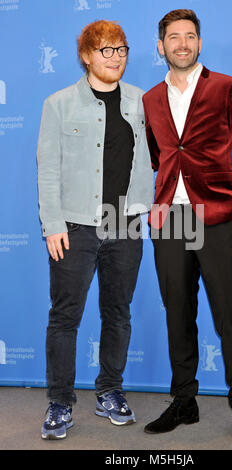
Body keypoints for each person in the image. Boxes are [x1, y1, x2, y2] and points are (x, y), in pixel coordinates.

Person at [142, 9, 232, 443]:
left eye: (190, 36)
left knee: (231, 315)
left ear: (199, 42)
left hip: (217, 218)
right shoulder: (151, 98)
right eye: (174, 37)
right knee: (178, 313)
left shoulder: (228, 87)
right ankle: (184, 401)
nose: (182, 44)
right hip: (170, 220)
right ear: (161, 46)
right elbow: (159, 156)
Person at [37, 20, 153, 440]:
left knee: (117, 314)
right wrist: (52, 224)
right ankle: (59, 402)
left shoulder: (144, 101)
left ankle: (110, 391)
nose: (116, 57)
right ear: (86, 55)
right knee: (65, 317)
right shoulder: (59, 103)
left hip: (125, 224)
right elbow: (48, 170)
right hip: (75, 225)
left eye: (121, 49)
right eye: (106, 50)